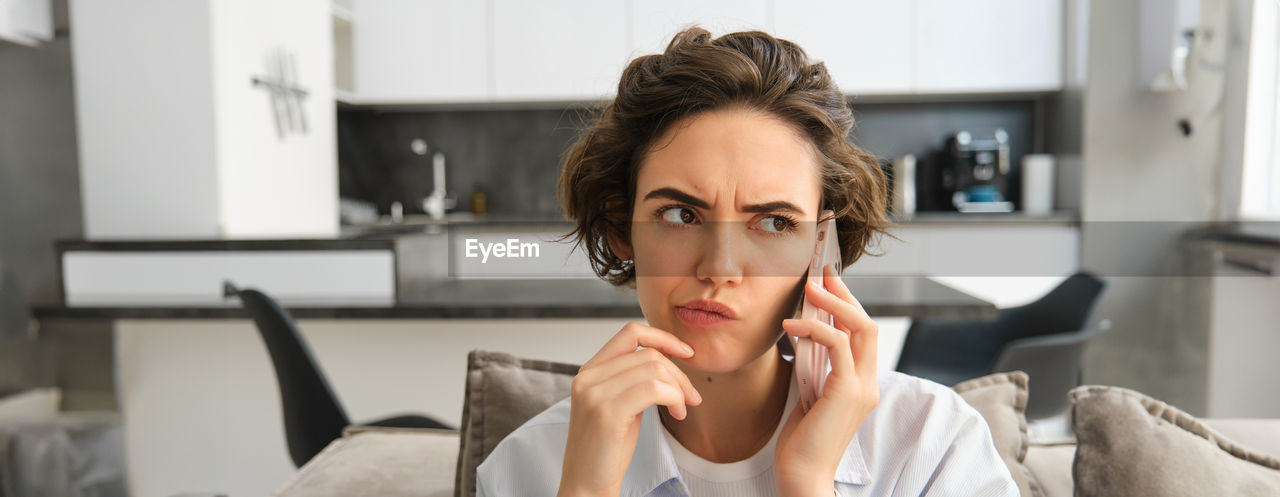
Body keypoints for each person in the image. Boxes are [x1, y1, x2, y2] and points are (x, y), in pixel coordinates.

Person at [476, 27, 1019, 497]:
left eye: (775, 222)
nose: (721, 267)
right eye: (681, 214)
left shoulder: (932, 443)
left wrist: (807, 482)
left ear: (820, 246)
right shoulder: (526, 467)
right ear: (623, 229)